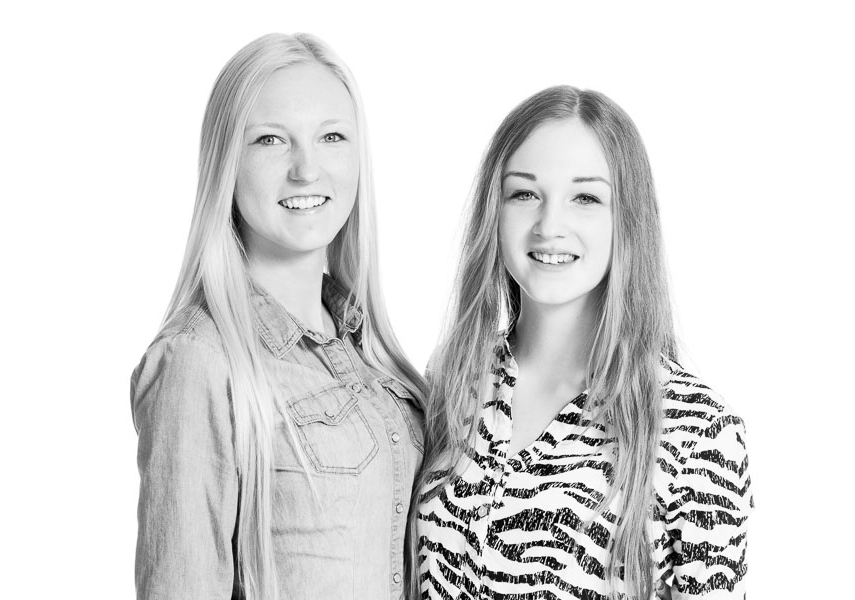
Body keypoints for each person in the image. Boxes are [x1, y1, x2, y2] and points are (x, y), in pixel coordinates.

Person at [414, 87, 753, 599]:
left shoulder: (698, 432)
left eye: (586, 198)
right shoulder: (454, 379)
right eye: (524, 194)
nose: (550, 226)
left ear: (627, 219)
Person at [131, 33, 425, 600]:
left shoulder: (369, 351)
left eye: (331, 137)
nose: (306, 170)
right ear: (227, 164)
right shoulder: (198, 360)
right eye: (270, 140)